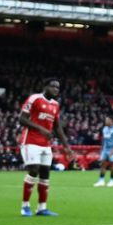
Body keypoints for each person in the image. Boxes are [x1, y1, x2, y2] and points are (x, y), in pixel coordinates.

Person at [20, 78, 73, 217]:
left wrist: (66, 146)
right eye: (53, 86)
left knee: (45, 174)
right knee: (34, 170)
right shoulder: (35, 98)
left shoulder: (55, 105)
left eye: (58, 87)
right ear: (45, 86)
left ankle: (42, 208)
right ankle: (25, 206)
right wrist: (41, 129)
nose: (56, 89)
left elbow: (57, 127)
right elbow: (22, 119)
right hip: (30, 140)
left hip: (45, 144)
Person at [95, 119, 113, 187]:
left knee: (112, 165)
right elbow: (103, 139)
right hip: (105, 149)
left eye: (107, 120)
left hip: (112, 149)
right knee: (103, 164)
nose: (106, 121)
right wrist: (101, 149)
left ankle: (112, 181)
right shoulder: (104, 128)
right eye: (105, 120)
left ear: (111, 121)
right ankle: (101, 180)